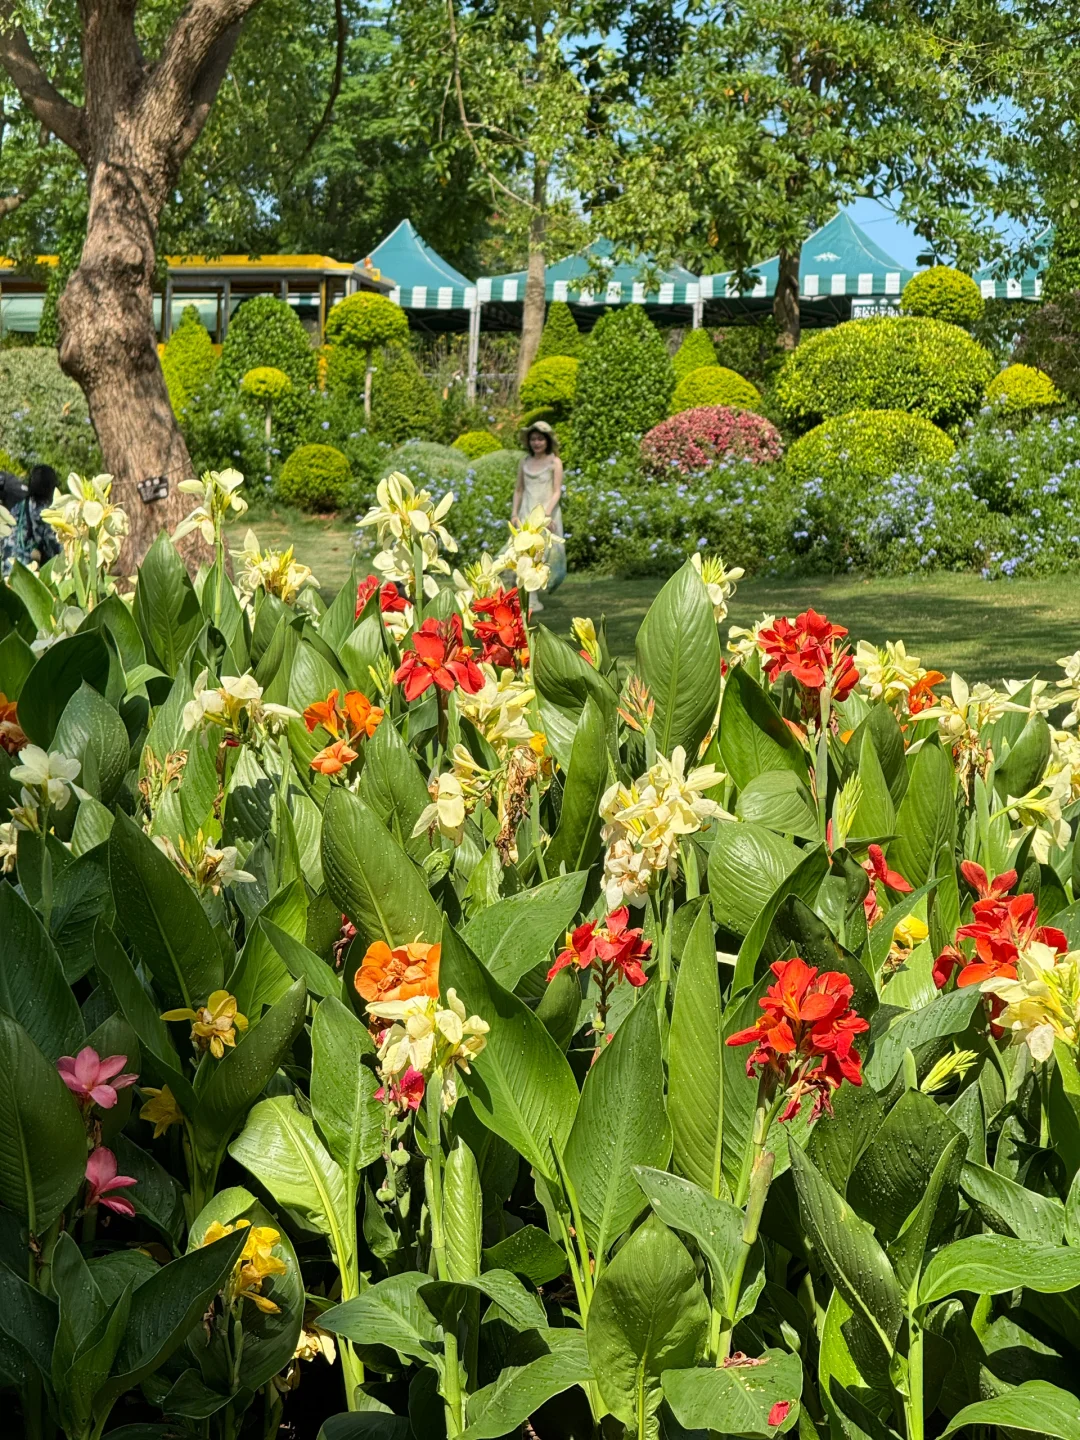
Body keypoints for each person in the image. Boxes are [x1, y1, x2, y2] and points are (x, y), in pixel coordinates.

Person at [511, 421, 566, 611]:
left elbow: (557, 491)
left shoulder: (554, 462)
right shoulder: (524, 462)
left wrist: (547, 514)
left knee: (540, 556)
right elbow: (519, 490)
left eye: (540, 439)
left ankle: (533, 596)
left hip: (547, 514)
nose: (537, 443)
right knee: (522, 555)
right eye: (533, 439)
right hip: (526, 514)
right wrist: (514, 513)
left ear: (547, 441)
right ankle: (523, 597)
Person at [0, 464, 61, 576]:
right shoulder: (45, 513)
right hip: (24, 572)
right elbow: (55, 548)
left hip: (6, 566)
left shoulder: (19, 506)